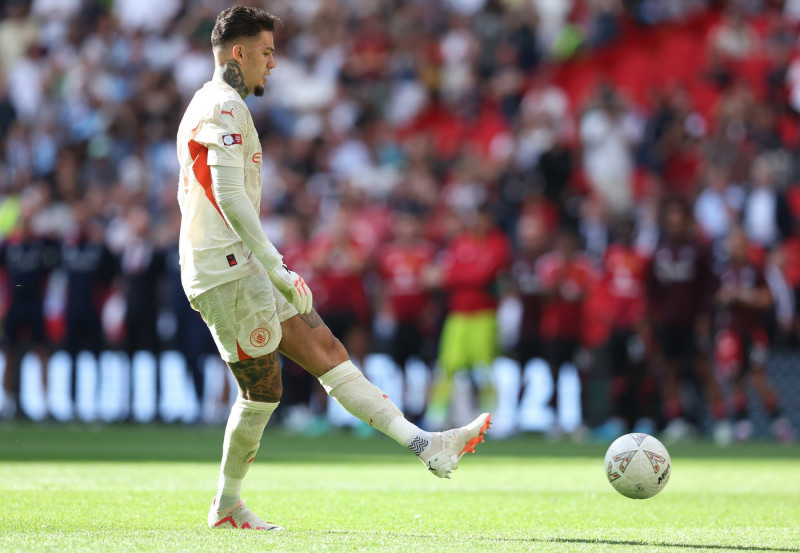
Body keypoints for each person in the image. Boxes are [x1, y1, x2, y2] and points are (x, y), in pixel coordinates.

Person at [176, 6, 490, 531]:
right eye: (268, 52)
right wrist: (278, 267)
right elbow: (228, 194)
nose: (273, 64)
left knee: (327, 351)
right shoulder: (223, 106)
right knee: (263, 392)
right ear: (239, 51)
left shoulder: (214, 104)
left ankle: (428, 444)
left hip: (240, 264)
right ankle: (226, 505)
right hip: (227, 271)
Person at [713, 227, 794, 443]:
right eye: (733, 243)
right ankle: (742, 424)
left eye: (740, 243)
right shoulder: (722, 270)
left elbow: (767, 300)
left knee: (758, 377)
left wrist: (741, 295)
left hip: (753, 331)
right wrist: (725, 297)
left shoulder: (756, 270)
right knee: (734, 376)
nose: (736, 248)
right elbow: (714, 299)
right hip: (730, 331)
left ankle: (779, 422)